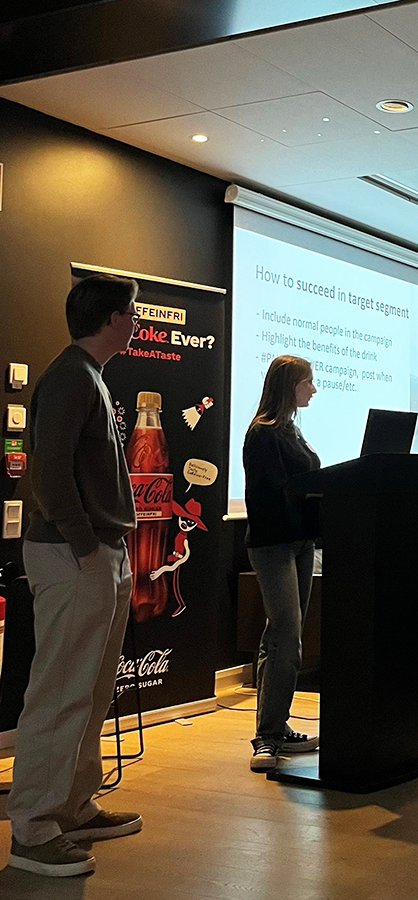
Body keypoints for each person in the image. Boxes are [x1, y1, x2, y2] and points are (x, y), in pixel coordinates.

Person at [8, 274, 143, 878]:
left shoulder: (89, 376)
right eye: (132, 312)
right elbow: (49, 474)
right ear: (112, 318)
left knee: (89, 689)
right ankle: (33, 830)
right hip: (72, 555)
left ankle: (75, 806)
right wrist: (88, 547)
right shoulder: (69, 376)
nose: (137, 322)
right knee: (61, 692)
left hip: (94, 552)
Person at [243, 355, 321, 772]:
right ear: (289, 385)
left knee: (284, 635)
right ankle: (267, 737)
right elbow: (269, 495)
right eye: (308, 382)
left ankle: (277, 725)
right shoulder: (263, 434)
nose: (314, 389)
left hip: (299, 544)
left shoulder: (291, 431)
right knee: (285, 636)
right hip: (275, 545)